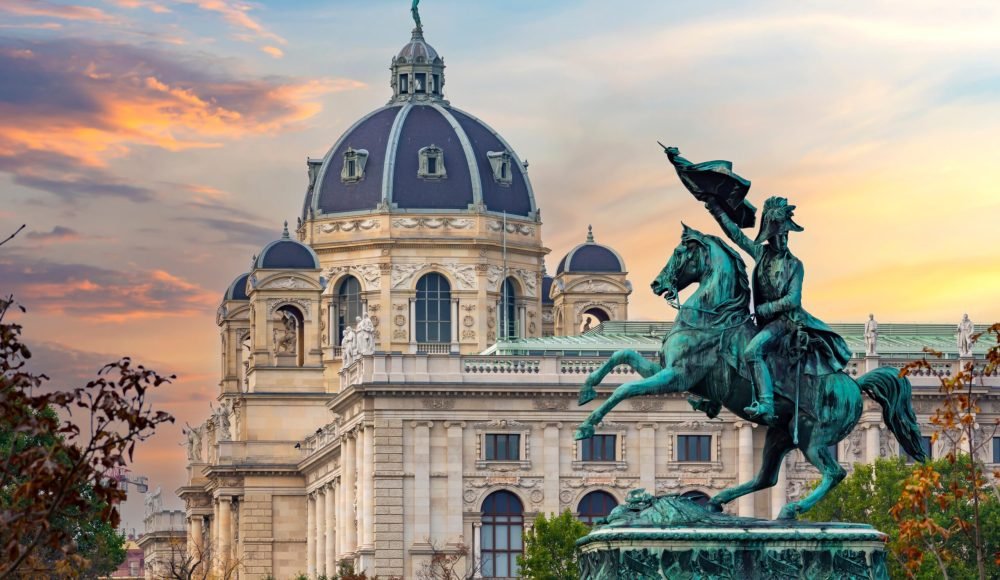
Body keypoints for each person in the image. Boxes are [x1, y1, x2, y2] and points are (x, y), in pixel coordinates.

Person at [706, 196, 851, 424]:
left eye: (786, 235)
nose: (783, 239)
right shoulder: (761, 254)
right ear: (769, 235)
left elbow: (793, 300)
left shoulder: (795, 265)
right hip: (765, 322)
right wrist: (715, 208)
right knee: (725, 343)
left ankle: (766, 402)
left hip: (787, 322)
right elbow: (736, 235)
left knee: (752, 351)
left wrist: (766, 308)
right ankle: (712, 397)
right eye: (779, 235)